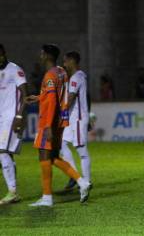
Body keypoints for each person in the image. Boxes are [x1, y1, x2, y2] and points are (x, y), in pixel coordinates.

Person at [26, 44, 91, 207]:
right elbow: (55, 95)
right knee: (53, 156)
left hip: (49, 122)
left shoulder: (49, 75)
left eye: (42, 54)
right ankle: (82, 182)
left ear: (47, 56)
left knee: (44, 156)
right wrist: (38, 97)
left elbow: (51, 102)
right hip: (60, 122)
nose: (40, 57)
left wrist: (47, 125)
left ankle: (47, 197)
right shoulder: (61, 72)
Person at [0, 44, 28, 205]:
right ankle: (13, 190)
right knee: (6, 154)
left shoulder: (14, 69)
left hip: (10, 117)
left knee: (2, 151)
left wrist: (19, 115)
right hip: (1, 117)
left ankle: (12, 192)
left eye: (1, 55)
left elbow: (25, 94)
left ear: (4, 53)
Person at [60, 51, 91, 190]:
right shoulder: (75, 76)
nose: (64, 64)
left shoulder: (76, 77)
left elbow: (71, 97)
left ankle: (87, 181)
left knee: (81, 150)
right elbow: (86, 97)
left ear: (72, 61)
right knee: (62, 144)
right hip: (73, 117)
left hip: (77, 118)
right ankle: (75, 176)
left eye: (65, 61)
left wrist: (60, 112)